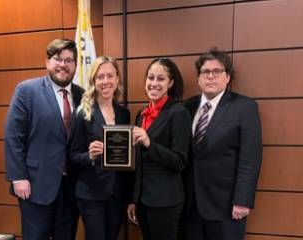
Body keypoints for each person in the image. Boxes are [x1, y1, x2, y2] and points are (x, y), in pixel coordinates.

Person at [4, 39, 84, 240]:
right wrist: (18, 177)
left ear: (75, 65)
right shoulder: (26, 90)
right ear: (48, 62)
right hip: (35, 186)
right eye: (58, 59)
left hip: (71, 188)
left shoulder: (82, 95)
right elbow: (13, 136)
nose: (63, 65)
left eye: (69, 60)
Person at [184, 47, 262, 240]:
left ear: (227, 77)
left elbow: (250, 159)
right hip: (190, 204)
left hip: (226, 206)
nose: (211, 76)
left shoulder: (244, 108)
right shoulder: (187, 106)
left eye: (217, 71)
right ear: (198, 78)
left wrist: (242, 200)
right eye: (205, 72)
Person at [127, 58, 191, 240]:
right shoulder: (141, 114)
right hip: (143, 200)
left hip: (166, 201)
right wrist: (133, 199)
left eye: (160, 79)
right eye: (150, 77)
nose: (154, 83)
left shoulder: (179, 113)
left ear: (170, 83)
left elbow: (180, 161)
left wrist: (149, 143)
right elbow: (138, 161)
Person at [68, 55, 130, 240]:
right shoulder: (83, 112)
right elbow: (72, 155)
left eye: (110, 76)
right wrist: (90, 155)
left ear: (117, 78)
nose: (105, 81)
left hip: (117, 194)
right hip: (91, 193)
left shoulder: (124, 114)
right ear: (93, 81)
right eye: (100, 77)